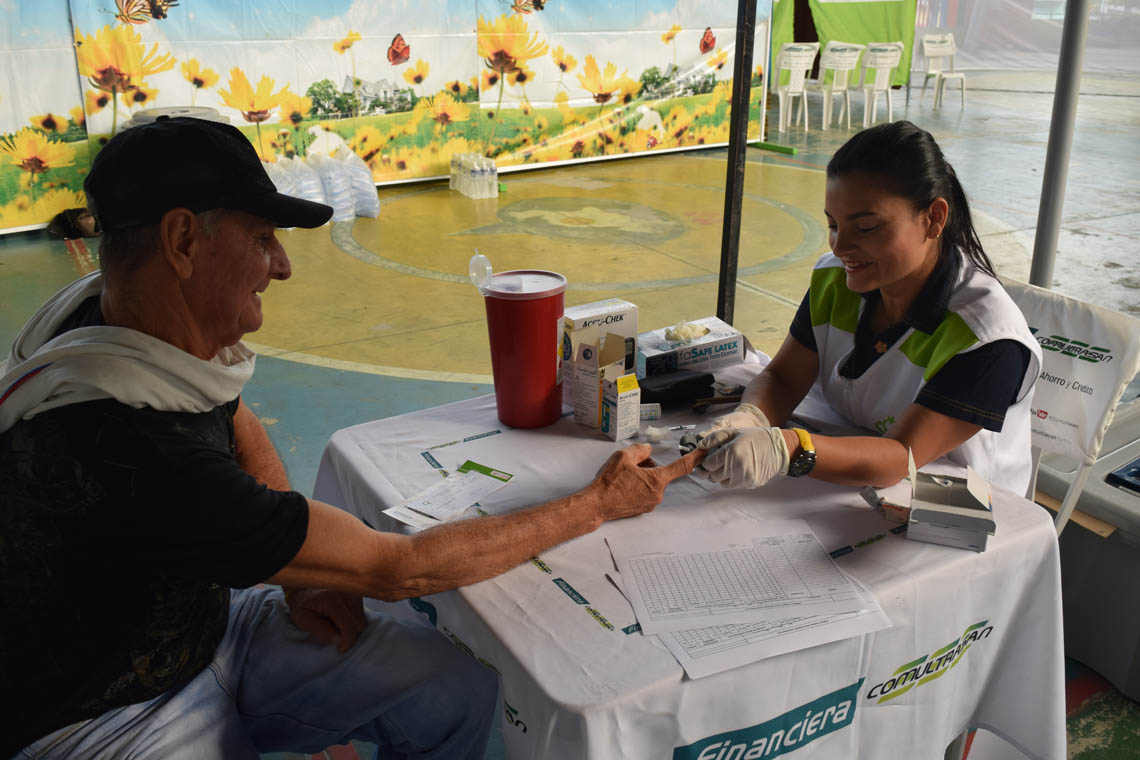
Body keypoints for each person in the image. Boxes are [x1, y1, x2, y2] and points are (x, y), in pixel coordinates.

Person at [0, 117, 703, 759]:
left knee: (448, 684)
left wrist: (301, 580)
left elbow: (235, 417)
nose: (282, 266)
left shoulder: (121, 323)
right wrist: (597, 504)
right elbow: (400, 570)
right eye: (262, 239)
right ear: (183, 241)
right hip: (109, 716)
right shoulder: (130, 446)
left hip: (209, 627)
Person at [698, 121, 1041, 495]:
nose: (840, 246)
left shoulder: (987, 338)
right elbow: (783, 378)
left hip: (947, 502)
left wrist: (789, 447)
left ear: (933, 219)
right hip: (850, 468)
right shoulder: (836, 281)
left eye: (865, 228)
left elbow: (900, 457)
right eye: (833, 225)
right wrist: (753, 417)